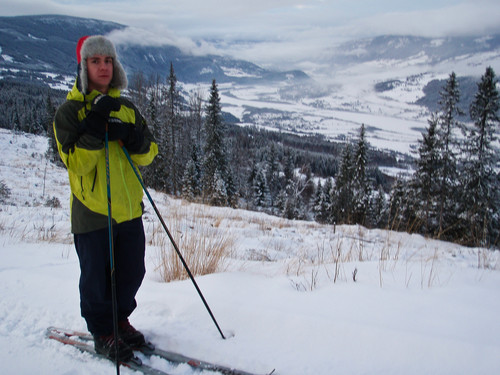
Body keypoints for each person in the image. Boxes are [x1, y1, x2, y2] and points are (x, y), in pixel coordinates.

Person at [53, 35, 158, 361]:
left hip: (128, 208)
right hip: (92, 211)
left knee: (132, 273)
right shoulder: (69, 114)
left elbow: (150, 154)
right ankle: (103, 332)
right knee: (97, 279)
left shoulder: (126, 108)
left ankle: (120, 320)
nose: (103, 67)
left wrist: (133, 136)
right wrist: (95, 126)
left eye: (108, 61)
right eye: (95, 61)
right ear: (84, 66)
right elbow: (77, 164)